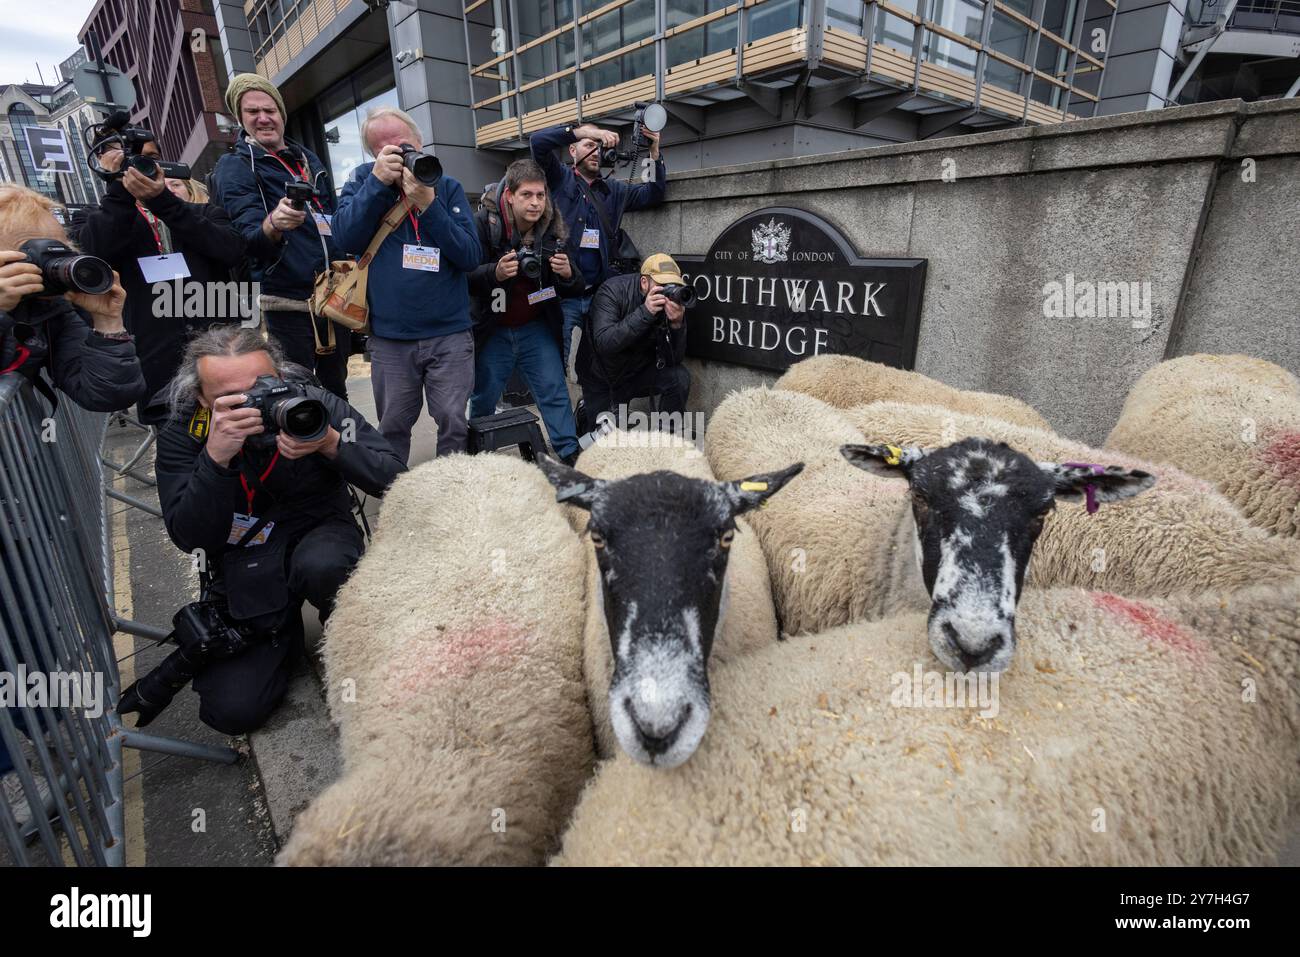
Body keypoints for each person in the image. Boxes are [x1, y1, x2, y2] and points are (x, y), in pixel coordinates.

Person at [139, 325, 404, 734]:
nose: (254, 403)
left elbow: (394, 479)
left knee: (324, 564)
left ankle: (352, 635)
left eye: (262, 386)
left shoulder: (312, 402)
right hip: (243, 555)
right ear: (201, 399)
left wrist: (332, 443)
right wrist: (215, 459)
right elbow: (190, 537)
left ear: (281, 377)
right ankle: (280, 632)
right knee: (233, 711)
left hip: (320, 532)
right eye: (232, 398)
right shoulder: (185, 431)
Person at [332, 106, 481, 463]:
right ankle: (395, 492)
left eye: (403, 145)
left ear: (419, 142)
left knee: (452, 422)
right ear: (373, 154)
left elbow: (471, 256)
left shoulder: (445, 186)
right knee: (394, 425)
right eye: (385, 150)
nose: (399, 155)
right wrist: (377, 184)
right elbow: (345, 237)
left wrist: (429, 205)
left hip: (449, 335)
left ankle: (451, 491)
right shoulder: (362, 181)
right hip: (391, 339)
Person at [77, 140, 247, 423]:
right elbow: (94, 256)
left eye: (152, 161)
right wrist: (120, 192)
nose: (147, 173)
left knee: (239, 429)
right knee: (176, 444)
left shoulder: (205, 214)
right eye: (130, 164)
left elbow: (231, 251)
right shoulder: (105, 218)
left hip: (219, 349)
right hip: (157, 357)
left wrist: (164, 204)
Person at [211, 74, 350, 399]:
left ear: (281, 114)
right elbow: (247, 239)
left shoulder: (307, 159)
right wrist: (273, 224)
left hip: (332, 300)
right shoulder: (235, 166)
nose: (263, 118)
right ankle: (306, 448)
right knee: (297, 394)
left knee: (337, 391)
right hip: (288, 305)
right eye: (252, 112)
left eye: (269, 110)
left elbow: (332, 219)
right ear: (240, 119)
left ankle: (342, 447)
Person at [468, 159, 583, 464]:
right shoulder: (483, 225)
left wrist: (568, 273)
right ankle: (475, 455)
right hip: (494, 328)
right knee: (484, 397)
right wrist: (495, 272)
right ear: (510, 195)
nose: (535, 203)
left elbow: (576, 286)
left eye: (541, 195)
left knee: (554, 391)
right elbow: (463, 277)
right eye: (527, 195)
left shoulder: (553, 228)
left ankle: (570, 454)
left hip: (536, 327)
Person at [530, 119, 667, 372]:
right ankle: (558, 409)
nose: (596, 151)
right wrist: (585, 131)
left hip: (600, 294)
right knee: (555, 363)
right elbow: (537, 143)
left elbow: (653, 193)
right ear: (573, 150)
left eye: (599, 146)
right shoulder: (558, 178)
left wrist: (653, 152)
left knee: (598, 361)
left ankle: (591, 406)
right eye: (588, 144)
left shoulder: (613, 190)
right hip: (564, 294)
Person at [0, 184, 145, 411]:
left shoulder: (50, 308)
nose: (46, 266)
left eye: (56, 250)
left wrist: (107, 322)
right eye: (31, 256)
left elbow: (107, 395)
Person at [577, 253, 690, 424]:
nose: (668, 291)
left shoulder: (671, 304)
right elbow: (605, 342)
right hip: (602, 377)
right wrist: (645, 312)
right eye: (662, 285)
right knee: (605, 445)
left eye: (672, 285)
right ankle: (585, 410)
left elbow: (674, 359)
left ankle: (667, 441)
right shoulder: (612, 291)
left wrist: (676, 325)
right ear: (644, 282)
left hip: (637, 373)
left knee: (679, 378)